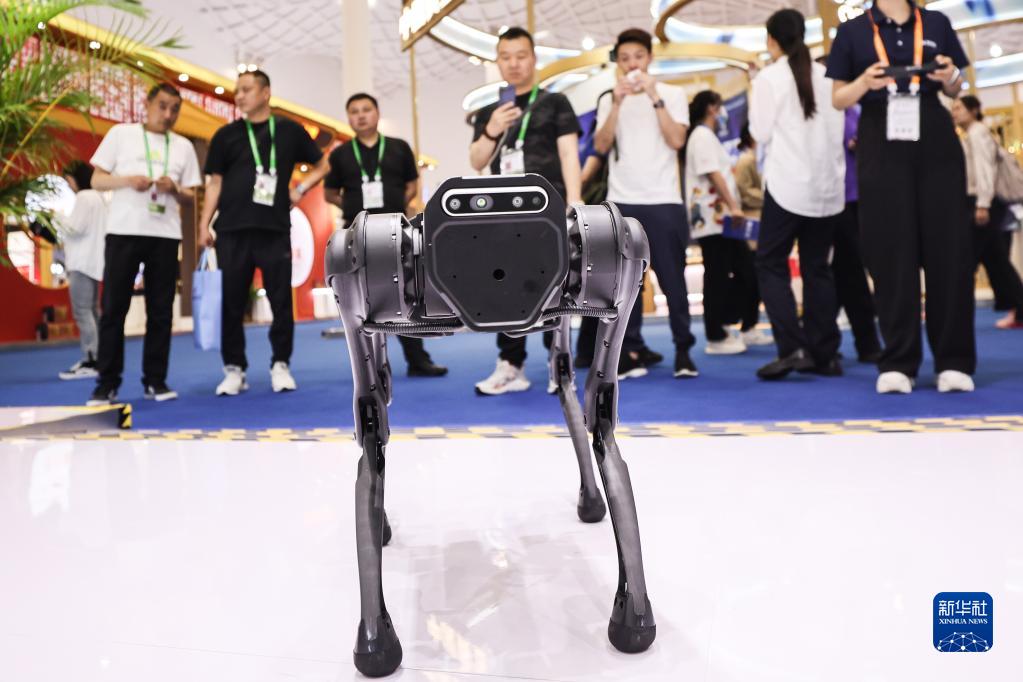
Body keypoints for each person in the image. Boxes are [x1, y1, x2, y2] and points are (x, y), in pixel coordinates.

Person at [828, 0, 976, 394]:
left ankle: (954, 360)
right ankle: (898, 360)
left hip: (934, 132)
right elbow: (838, 98)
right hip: (880, 133)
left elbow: (958, 86)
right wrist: (865, 82)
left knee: (949, 251)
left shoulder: (937, 22)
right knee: (890, 253)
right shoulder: (853, 30)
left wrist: (949, 75)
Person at [198, 70, 331, 396]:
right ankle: (234, 369)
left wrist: (300, 189)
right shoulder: (226, 135)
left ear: (266, 92)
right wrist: (203, 224)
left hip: (273, 228)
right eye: (237, 90)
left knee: (280, 300)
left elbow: (323, 164)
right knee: (232, 303)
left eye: (246, 89)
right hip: (232, 229)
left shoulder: (288, 130)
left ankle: (280, 365)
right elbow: (215, 183)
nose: (239, 96)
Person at [469, 27, 582, 395]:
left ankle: (558, 361)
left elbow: (568, 153)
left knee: (555, 285)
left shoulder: (555, 103)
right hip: (502, 215)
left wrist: (575, 201)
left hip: (548, 209)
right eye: (506, 57)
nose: (514, 64)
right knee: (505, 286)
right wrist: (492, 129)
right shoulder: (490, 111)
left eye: (521, 56)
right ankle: (511, 364)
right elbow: (477, 161)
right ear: (497, 62)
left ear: (533, 58)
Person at [86, 83, 202, 405]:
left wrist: (174, 188)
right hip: (123, 231)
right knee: (114, 308)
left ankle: (156, 380)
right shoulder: (121, 134)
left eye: (174, 109)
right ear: (147, 104)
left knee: (161, 311)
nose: (168, 114)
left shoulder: (183, 146)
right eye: (162, 106)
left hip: (165, 235)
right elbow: (96, 179)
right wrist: (128, 181)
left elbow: (192, 196)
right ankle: (107, 383)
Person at [593, 28, 698, 378]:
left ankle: (683, 350)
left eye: (638, 56)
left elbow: (677, 140)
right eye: (624, 59)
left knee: (673, 280)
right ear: (618, 63)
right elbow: (601, 145)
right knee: (625, 284)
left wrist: (654, 96)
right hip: (621, 201)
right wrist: (617, 103)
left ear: (650, 58)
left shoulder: (672, 93)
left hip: (663, 199)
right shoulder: (609, 98)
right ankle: (631, 350)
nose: (632, 64)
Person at [324, 92, 448, 376]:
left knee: (407, 293)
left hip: (396, 234)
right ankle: (367, 367)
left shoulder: (398, 148)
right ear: (349, 118)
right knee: (361, 300)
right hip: (358, 237)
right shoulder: (341, 154)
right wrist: (352, 207)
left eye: (366, 109)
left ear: (377, 113)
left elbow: (412, 185)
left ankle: (418, 360)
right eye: (354, 111)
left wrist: (396, 208)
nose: (361, 115)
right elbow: (330, 193)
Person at [750, 9, 845, 380]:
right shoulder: (827, 75)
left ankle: (793, 348)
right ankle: (826, 354)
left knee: (770, 264)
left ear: (771, 40)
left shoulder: (769, 78)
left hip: (788, 185)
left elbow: (759, 133)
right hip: (827, 187)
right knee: (818, 268)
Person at [685, 94, 762, 356]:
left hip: (724, 219)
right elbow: (713, 173)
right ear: (712, 108)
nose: (723, 114)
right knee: (717, 275)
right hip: (713, 217)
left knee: (746, 271)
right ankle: (715, 334)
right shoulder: (701, 136)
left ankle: (743, 324)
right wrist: (733, 204)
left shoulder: (708, 136)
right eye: (720, 107)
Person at [952, 95, 1023, 329]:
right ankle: (1018, 308)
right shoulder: (972, 134)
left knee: (969, 259)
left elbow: (985, 170)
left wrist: (982, 204)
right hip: (984, 202)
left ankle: (955, 312)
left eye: (959, 108)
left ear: (973, 110)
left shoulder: (977, 133)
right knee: (995, 258)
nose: (955, 112)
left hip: (984, 202)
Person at [832, 102, 884, 362]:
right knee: (844, 272)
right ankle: (862, 342)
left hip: (861, 196)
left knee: (853, 270)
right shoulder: (827, 109)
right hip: (832, 199)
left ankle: (865, 342)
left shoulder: (857, 110)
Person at [57, 161, 107, 380]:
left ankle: (91, 359)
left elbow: (74, 228)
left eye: (68, 180)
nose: (68, 185)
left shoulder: (85, 198)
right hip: (93, 262)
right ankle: (98, 357)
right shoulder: (99, 198)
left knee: (83, 311)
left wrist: (56, 216)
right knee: (92, 311)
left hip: (81, 263)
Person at [731, 125, 772, 347]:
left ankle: (750, 324)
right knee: (752, 278)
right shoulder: (747, 160)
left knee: (756, 277)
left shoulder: (758, 158)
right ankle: (748, 325)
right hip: (751, 224)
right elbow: (744, 190)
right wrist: (771, 195)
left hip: (761, 221)